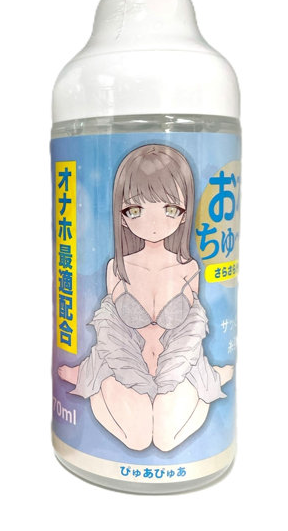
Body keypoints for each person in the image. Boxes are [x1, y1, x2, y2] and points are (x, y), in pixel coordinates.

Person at [58, 144, 233, 451]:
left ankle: (210, 376)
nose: (153, 224)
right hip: (125, 368)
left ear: (184, 213)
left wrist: (194, 370)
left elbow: (191, 332)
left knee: (165, 440)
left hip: (176, 369)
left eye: (170, 209)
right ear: (122, 216)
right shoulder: (117, 268)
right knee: (138, 440)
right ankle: (89, 375)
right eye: (135, 210)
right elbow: (110, 331)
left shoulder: (189, 268)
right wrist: (90, 370)